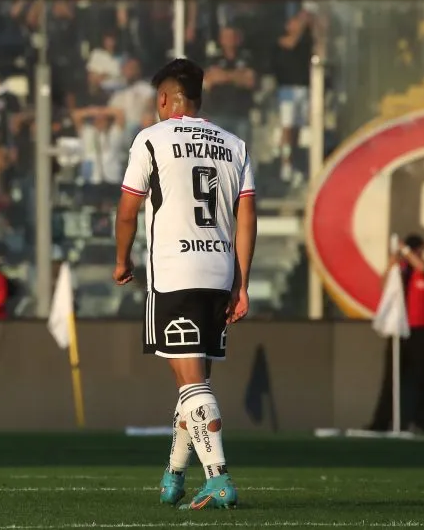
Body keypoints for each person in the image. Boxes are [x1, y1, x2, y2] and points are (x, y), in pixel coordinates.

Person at [114, 58, 257, 510]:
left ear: (164, 98)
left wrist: (121, 259)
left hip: (175, 272)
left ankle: (219, 479)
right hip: (218, 273)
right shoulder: (234, 144)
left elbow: (127, 209)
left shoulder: (151, 139)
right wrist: (242, 283)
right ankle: (174, 475)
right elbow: (247, 217)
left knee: (191, 381)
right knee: (192, 382)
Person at [367, 234, 424, 433]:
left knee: (422, 379)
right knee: (391, 379)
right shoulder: (401, 273)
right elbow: (384, 286)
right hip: (402, 331)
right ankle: (381, 423)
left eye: (416, 250)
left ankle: (422, 423)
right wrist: (392, 262)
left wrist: (407, 252)